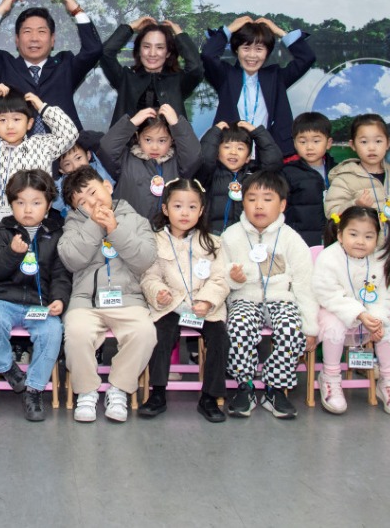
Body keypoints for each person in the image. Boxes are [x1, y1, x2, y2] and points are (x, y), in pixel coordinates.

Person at [58, 165, 158, 423]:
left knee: (144, 332)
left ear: (108, 186)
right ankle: (87, 391)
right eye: (82, 202)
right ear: (76, 209)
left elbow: (145, 259)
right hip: (86, 301)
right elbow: (71, 259)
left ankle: (119, 389)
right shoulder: (73, 225)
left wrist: (115, 229)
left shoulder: (136, 220)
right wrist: (94, 224)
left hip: (128, 299)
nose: (92, 203)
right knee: (76, 332)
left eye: (93, 193)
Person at [324, 114, 390, 377]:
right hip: (359, 260)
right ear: (353, 145)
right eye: (364, 141)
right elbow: (332, 212)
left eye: (378, 141)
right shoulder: (345, 177)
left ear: (388, 143)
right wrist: (355, 205)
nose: (372, 147)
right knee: (363, 310)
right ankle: (365, 361)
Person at [221, 169, 318, 420]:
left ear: (282, 204)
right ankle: (245, 386)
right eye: (252, 199)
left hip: (281, 298)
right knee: (238, 326)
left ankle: (275, 388)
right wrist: (233, 278)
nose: (259, 206)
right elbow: (220, 275)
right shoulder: (231, 236)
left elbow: (304, 285)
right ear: (243, 202)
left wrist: (310, 326)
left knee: (291, 328)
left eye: (267, 199)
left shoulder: (291, 239)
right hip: (244, 297)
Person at [0, 169, 71, 421]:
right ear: (11, 204)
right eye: (20, 203)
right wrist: (12, 252)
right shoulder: (1, 230)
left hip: (39, 304)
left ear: (49, 205)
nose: (27, 209)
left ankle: (33, 389)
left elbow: (61, 274)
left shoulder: (57, 233)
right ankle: (7, 368)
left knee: (52, 331)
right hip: (4, 299)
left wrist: (59, 300)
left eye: (36, 203)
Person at [139, 178, 231, 422]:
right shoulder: (155, 241)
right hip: (170, 304)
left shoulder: (213, 242)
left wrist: (207, 301)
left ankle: (210, 397)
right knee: (160, 334)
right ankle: (158, 393)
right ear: (165, 209)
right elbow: (149, 276)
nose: (184, 213)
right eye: (178, 206)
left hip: (203, 307)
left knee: (220, 338)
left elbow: (220, 278)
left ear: (201, 211)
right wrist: (159, 292)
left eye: (192, 207)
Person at [313, 206, 390, 415]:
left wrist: (376, 318)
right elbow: (327, 294)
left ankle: (389, 381)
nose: (360, 242)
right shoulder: (329, 257)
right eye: (353, 234)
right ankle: (330, 377)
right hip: (334, 311)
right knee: (334, 326)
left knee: (385, 327)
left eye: (368, 236)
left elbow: (385, 296)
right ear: (340, 234)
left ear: (377, 238)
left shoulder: (381, 260)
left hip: (370, 313)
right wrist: (359, 314)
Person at [0, 0, 103, 131]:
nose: (34, 38)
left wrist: (77, 11)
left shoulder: (66, 65)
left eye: (41, 31)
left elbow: (93, 50)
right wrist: (1, 9)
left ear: (52, 40)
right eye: (27, 31)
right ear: (17, 40)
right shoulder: (3, 67)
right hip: (17, 144)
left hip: (66, 143)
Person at [0, 85, 78, 223]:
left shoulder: (42, 146)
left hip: (29, 226)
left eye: (16, 119)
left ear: (29, 123)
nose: (10, 126)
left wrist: (43, 108)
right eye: (2, 120)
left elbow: (70, 134)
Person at [202, 15, 316, 158]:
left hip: (270, 156)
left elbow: (307, 58)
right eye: (246, 48)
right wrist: (229, 29)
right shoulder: (226, 76)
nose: (252, 55)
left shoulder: (276, 77)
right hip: (231, 156)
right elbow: (208, 55)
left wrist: (278, 31)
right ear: (236, 50)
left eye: (259, 49)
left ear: (267, 52)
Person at [97, 104, 201, 221]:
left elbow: (194, 155)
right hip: (129, 229)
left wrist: (177, 125)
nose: (154, 147)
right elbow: (106, 148)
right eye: (148, 140)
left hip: (166, 230)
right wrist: (132, 123)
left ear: (172, 139)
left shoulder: (178, 162)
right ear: (138, 137)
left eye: (162, 140)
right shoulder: (125, 159)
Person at [100, 15, 204, 128]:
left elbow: (196, 68)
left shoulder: (178, 81)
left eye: (160, 47)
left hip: (172, 139)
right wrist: (131, 27)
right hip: (125, 139)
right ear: (139, 50)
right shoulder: (125, 78)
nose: (152, 53)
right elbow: (106, 53)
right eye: (146, 46)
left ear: (168, 53)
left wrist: (179, 34)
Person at [196, 120, 282, 233]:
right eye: (227, 147)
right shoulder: (210, 173)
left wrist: (257, 133)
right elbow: (204, 158)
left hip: (245, 237)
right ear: (217, 153)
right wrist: (214, 132)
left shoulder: (254, 175)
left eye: (240, 148)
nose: (233, 152)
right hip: (213, 235)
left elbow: (273, 162)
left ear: (248, 157)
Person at [281, 111, 336, 247]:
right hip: (299, 241)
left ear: (328, 143)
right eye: (303, 141)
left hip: (334, 240)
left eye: (316, 141)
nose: (309, 147)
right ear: (294, 143)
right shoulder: (287, 172)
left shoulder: (338, 170)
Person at [52, 129, 108, 215]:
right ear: (61, 170)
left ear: (88, 155)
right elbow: (56, 203)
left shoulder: (100, 170)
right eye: (67, 164)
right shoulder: (59, 187)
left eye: (78, 158)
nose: (76, 166)